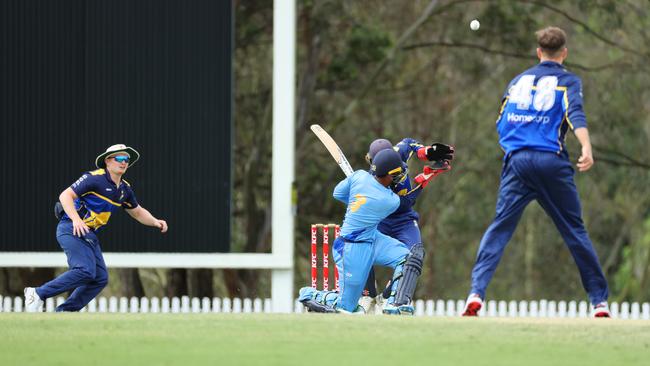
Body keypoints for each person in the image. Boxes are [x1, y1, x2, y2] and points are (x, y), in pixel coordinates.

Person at [461, 27, 610, 318]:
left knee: (499, 228)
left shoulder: (517, 82)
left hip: (517, 163)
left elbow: (502, 122)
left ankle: (475, 293)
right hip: (551, 162)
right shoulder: (568, 81)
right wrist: (586, 147)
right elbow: (575, 114)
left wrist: (516, 147)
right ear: (564, 53)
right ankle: (599, 302)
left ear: (539, 52)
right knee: (574, 231)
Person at [24, 144, 168, 312]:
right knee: (85, 270)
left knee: (99, 278)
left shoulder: (125, 189)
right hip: (71, 228)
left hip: (88, 234)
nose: (124, 162)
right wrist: (76, 220)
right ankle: (38, 293)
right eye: (119, 158)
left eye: (127, 159)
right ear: (107, 161)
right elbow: (65, 195)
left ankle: (64, 312)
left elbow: (137, 212)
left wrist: (155, 221)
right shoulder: (94, 178)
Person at [298, 149, 413, 314]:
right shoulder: (390, 200)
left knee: (405, 257)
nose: (399, 177)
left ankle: (394, 304)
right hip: (351, 249)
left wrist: (355, 200)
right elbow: (395, 198)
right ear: (388, 174)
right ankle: (308, 294)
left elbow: (337, 193)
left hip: (372, 238)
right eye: (396, 173)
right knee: (348, 307)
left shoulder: (358, 176)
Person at [360, 138, 454, 315]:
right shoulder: (371, 181)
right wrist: (424, 178)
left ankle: (393, 299)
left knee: (415, 253)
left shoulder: (397, 152)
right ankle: (367, 296)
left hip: (403, 220)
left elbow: (409, 143)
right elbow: (399, 202)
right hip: (380, 219)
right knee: (361, 247)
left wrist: (425, 152)